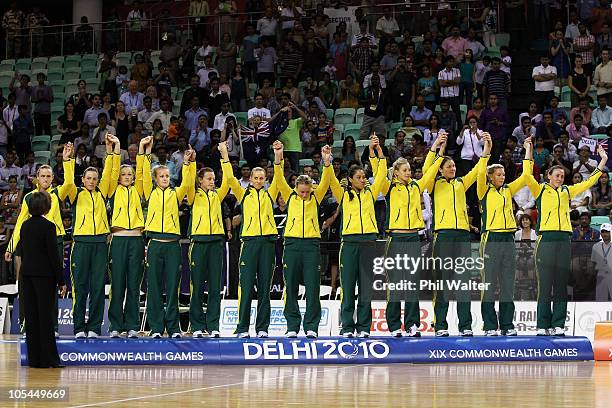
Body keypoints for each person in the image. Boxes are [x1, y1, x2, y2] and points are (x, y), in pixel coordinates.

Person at [523, 143, 607, 336]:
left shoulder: (567, 191)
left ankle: (558, 324)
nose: (560, 178)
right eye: (557, 175)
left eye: (562, 176)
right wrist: (528, 149)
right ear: (549, 176)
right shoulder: (540, 190)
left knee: (561, 283)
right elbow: (527, 175)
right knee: (545, 284)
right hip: (546, 238)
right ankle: (543, 325)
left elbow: (588, 182)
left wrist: (603, 160)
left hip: (563, 239)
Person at [371, 133, 446, 337]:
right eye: (405, 170)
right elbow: (379, 174)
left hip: (414, 238)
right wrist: (377, 152)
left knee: (412, 283)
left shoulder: (416, 187)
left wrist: (438, 148)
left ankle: (412, 324)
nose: (409, 173)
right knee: (395, 284)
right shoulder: (388, 188)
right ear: (395, 173)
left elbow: (430, 173)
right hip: (395, 239)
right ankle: (394, 325)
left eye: (410, 170)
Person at [423, 130, 490, 337]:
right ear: (441, 170)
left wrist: (487, 149)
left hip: (462, 235)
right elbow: (427, 170)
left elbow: (479, 168)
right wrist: (436, 148)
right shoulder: (435, 184)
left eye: (453, 166)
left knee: (462, 282)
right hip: (442, 235)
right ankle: (441, 325)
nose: (452, 168)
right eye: (448, 166)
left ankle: (465, 326)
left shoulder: (462, 183)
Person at [270, 141, 332, 338]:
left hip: (311, 245)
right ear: (296, 188)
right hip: (292, 244)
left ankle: (312, 326)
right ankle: (292, 326)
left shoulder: (316, 196)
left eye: (307, 191)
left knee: (313, 286)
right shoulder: (290, 196)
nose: (304, 195)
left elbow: (327, 180)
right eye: (301, 191)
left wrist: (326, 161)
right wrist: (278, 156)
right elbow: (279, 179)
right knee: (291, 286)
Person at [329, 135, 387, 338]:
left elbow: (381, 173)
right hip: (350, 243)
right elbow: (330, 179)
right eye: (360, 177)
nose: (364, 180)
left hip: (369, 243)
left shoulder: (371, 193)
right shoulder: (343, 194)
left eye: (364, 177)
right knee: (347, 287)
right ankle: (347, 327)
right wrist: (327, 161)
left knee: (366, 289)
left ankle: (363, 328)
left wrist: (376, 151)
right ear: (351, 179)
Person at [65, 135, 120, 338]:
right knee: (79, 288)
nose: (91, 181)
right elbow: (68, 181)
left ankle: (95, 328)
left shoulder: (102, 192)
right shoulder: (75, 193)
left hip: (100, 244)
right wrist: (68, 160)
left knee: (97, 288)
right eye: (88, 178)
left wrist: (111, 151)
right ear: (83, 180)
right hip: (80, 244)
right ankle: (79, 328)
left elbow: (110, 174)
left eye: (94, 179)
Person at [477, 135, 532, 336]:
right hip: (490, 238)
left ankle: (507, 325)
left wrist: (528, 149)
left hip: (508, 239)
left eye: (502, 174)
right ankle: (490, 325)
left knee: (508, 284)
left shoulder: (508, 190)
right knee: (489, 284)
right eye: (498, 174)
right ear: (491, 177)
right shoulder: (483, 191)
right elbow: (480, 171)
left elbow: (526, 176)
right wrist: (487, 148)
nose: (502, 177)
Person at [141, 138, 196, 338]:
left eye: (166, 175)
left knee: (173, 288)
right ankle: (156, 327)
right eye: (161, 176)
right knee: (154, 288)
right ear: (155, 179)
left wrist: (189, 163)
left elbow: (189, 182)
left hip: (173, 245)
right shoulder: (150, 192)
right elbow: (143, 176)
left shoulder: (175, 194)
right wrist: (145, 152)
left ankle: (173, 328)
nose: (164, 178)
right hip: (155, 244)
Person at [106, 136, 152, 339]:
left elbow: (144, 174)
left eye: (129, 174)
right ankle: (115, 325)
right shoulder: (112, 190)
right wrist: (115, 149)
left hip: (136, 240)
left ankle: (132, 324)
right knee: (117, 284)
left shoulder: (139, 190)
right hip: (118, 240)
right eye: (123, 174)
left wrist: (143, 151)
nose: (126, 176)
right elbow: (110, 172)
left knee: (134, 284)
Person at [20, 191, 66, 368]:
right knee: (45, 317)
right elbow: (54, 256)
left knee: (31, 317)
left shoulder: (25, 225)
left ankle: (35, 359)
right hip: (44, 276)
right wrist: (61, 281)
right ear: (46, 207)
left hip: (27, 274)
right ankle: (50, 359)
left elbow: (23, 252)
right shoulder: (49, 226)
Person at [592, 223, 612, 301]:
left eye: (607, 231)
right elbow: (593, 262)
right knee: (600, 300)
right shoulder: (595, 246)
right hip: (601, 275)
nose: (604, 234)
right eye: (602, 232)